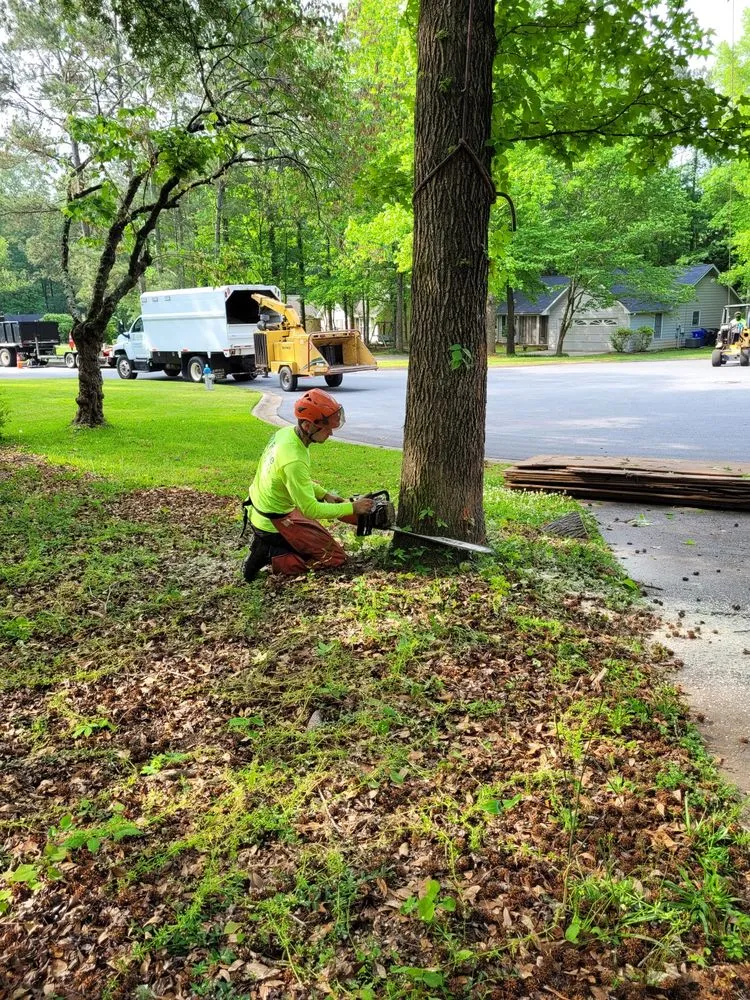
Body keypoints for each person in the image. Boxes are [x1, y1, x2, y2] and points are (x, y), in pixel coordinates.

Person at [241, 388, 374, 582]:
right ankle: (271, 552)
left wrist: (324, 494)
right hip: (273, 520)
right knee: (334, 558)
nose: (330, 433)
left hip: (269, 507)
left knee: (322, 540)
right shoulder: (294, 459)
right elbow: (310, 509)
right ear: (307, 425)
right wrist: (352, 507)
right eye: (326, 428)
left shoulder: (286, 434)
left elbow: (291, 481)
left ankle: (278, 546)